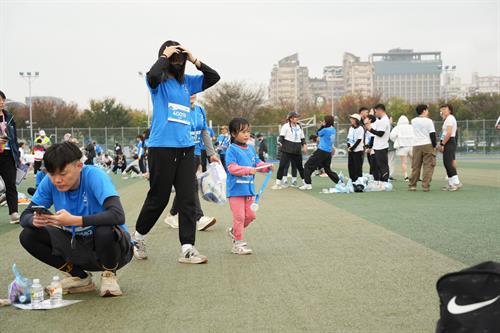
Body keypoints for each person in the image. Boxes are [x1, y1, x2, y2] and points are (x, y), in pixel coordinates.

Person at [131, 40, 220, 263]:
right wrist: (164, 56)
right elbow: (152, 75)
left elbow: (213, 77)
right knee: (158, 198)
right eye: (173, 57)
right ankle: (138, 237)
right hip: (161, 148)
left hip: (186, 149)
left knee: (188, 198)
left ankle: (187, 248)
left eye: (179, 58)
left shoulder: (187, 83)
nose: (177, 61)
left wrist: (194, 59)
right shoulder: (157, 83)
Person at [19, 142, 133, 297]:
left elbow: (117, 215)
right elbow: (24, 216)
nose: (57, 180)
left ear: (79, 166)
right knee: (28, 235)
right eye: (52, 174)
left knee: (104, 228)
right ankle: (80, 277)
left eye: (63, 174)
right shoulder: (49, 181)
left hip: (115, 251)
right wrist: (33, 220)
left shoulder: (94, 175)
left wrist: (74, 220)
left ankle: (109, 274)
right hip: (77, 247)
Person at [164, 94, 219, 231]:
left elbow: (204, 131)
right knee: (191, 184)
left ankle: (172, 214)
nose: (192, 93)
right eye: (188, 90)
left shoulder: (200, 110)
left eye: (194, 91)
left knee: (186, 185)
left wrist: (211, 153)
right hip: (181, 154)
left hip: (196, 154)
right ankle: (198, 217)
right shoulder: (175, 110)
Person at [225, 118, 272, 254]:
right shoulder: (231, 150)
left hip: (249, 190)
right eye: (243, 132)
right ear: (233, 134)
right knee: (239, 217)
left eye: (248, 132)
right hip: (235, 191)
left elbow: (257, 164)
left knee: (250, 216)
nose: (246, 135)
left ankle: (234, 231)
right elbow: (232, 168)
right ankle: (238, 243)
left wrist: (266, 167)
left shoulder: (251, 149)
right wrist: (247, 169)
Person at [299, 115, 339, 190]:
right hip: (328, 153)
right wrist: (324, 126)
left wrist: (322, 126)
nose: (323, 122)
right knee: (327, 169)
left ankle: (308, 184)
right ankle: (339, 181)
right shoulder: (333, 129)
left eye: (324, 121)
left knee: (307, 165)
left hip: (321, 151)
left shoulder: (325, 130)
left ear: (326, 122)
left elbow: (318, 133)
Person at [0, 90, 21, 224]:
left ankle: (14, 213)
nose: (1, 102)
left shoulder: (10, 117)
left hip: (8, 154)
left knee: (11, 185)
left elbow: (15, 139)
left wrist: (17, 156)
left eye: (3, 100)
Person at [272, 111, 307, 190]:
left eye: (298, 117)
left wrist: (304, 145)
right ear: (291, 119)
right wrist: (280, 143)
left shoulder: (299, 126)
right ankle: (278, 184)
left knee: (300, 167)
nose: (297, 119)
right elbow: (281, 137)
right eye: (296, 117)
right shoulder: (285, 126)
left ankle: (306, 183)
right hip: (287, 149)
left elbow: (302, 138)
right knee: (282, 166)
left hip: (297, 149)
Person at [408, 104, 437, 192]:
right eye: (427, 110)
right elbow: (432, 134)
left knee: (416, 166)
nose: (428, 112)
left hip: (416, 145)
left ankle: (412, 185)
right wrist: (434, 146)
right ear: (424, 111)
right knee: (428, 166)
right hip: (427, 144)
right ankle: (425, 186)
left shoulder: (413, 121)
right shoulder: (429, 121)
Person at [365, 104, 391, 186]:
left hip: (382, 146)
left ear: (380, 110)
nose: (376, 114)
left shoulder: (384, 120)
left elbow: (380, 133)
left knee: (383, 166)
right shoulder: (381, 120)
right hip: (378, 146)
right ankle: (379, 182)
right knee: (376, 166)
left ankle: (385, 183)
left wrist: (370, 129)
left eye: (376, 112)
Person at [438, 104, 462, 191]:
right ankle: (451, 183)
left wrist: (442, 144)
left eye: (445, 109)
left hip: (450, 141)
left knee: (448, 163)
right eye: (441, 110)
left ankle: (456, 183)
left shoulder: (450, 118)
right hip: (448, 141)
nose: (443, 111)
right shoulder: (447, 119)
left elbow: (448, 133)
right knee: (446, 163)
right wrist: (442, 143)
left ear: (450, 110)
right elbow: (444, 133)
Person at [389, 115, 414, 181]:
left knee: (404, 162)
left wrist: (396, 140)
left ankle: (406, 176)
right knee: (413, 162)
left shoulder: (397, 128)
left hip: (402, 147)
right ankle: (413, 175)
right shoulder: (411, 127)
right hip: (411, 146)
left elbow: (391, 136)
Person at [346, 114, 365, 182]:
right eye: (351, 118)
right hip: (351, 151)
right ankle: (352, 180)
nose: (351, 120)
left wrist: (352, 148)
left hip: (358, 151)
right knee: (350, 166)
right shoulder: (351, 128)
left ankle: (359, 182)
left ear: (357, 120)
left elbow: (359, 140)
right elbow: (348, 138)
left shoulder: (360, 128)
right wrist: (349, 147)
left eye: (353, 119)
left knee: (358, 167)